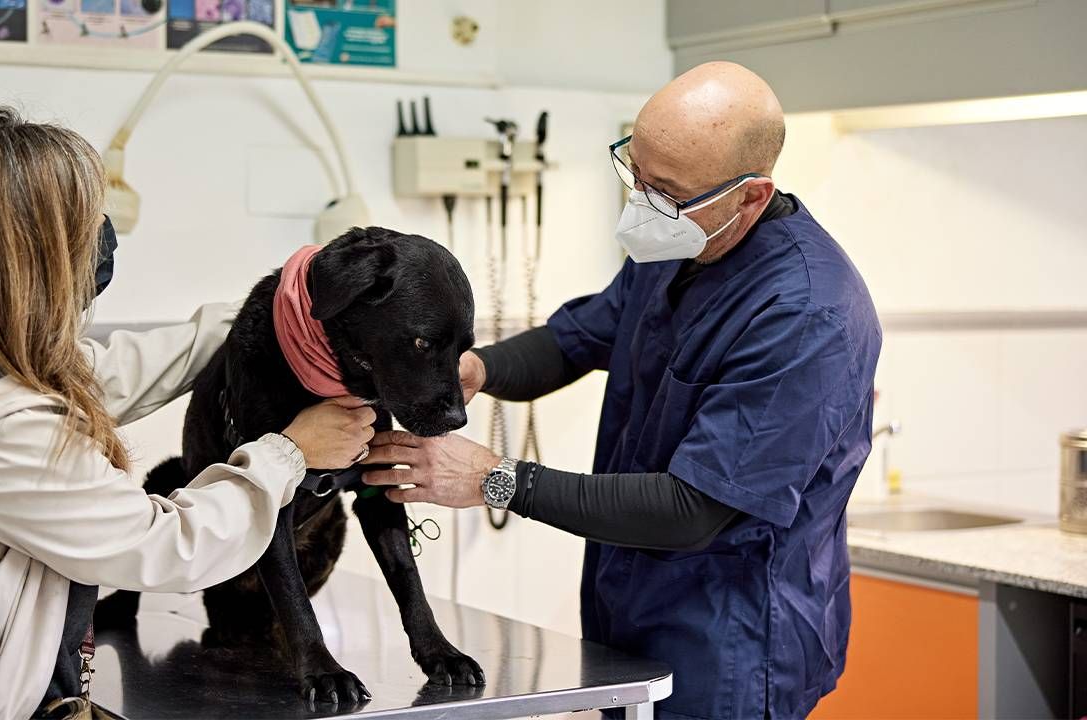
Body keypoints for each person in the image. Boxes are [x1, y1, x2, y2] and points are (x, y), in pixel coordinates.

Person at [0, 107, 376, 719]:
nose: (102, 237)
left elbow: (103, 372)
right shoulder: (6, 439)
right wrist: (289, 453)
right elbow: (169, 546)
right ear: (32, 255)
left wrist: (279, 309)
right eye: (84, 223)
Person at [363, 62, 882, 719]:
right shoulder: (684, 244)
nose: (642, 201)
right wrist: (469, 367)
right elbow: (573, 341)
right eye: (635, 171)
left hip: (732, 642)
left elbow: (691, 509)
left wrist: (495, 479)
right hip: (629, 612)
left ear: (750, 197)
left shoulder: (807, 314)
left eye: (665, 190)